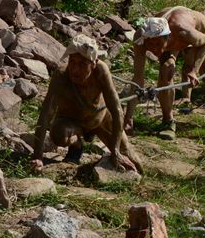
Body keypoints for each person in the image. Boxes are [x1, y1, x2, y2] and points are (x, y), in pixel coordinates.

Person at [31, 35, 142, 174]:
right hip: (72, 121)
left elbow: (116, 110)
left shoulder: (101, 71)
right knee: (59, 134)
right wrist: (37, 157)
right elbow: (46, 114)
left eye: (82, 64)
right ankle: (76, 147)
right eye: (72, 62)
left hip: (101, 118)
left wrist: (115, 152)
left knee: (129, 155)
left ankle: (144, 178)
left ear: (93, 64)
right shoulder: (61, 75)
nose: (75, 70)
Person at [124, 6, 205, 139]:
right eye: (151, 44)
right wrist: (128, 118)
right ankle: (168, 122)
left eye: (158, 44)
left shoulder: (183, 32)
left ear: (167, 37)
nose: (154, 49)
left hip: (198, 33)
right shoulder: (141, 38)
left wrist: (194, 70)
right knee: (166, 71)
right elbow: (138, 78)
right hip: (172, 41)